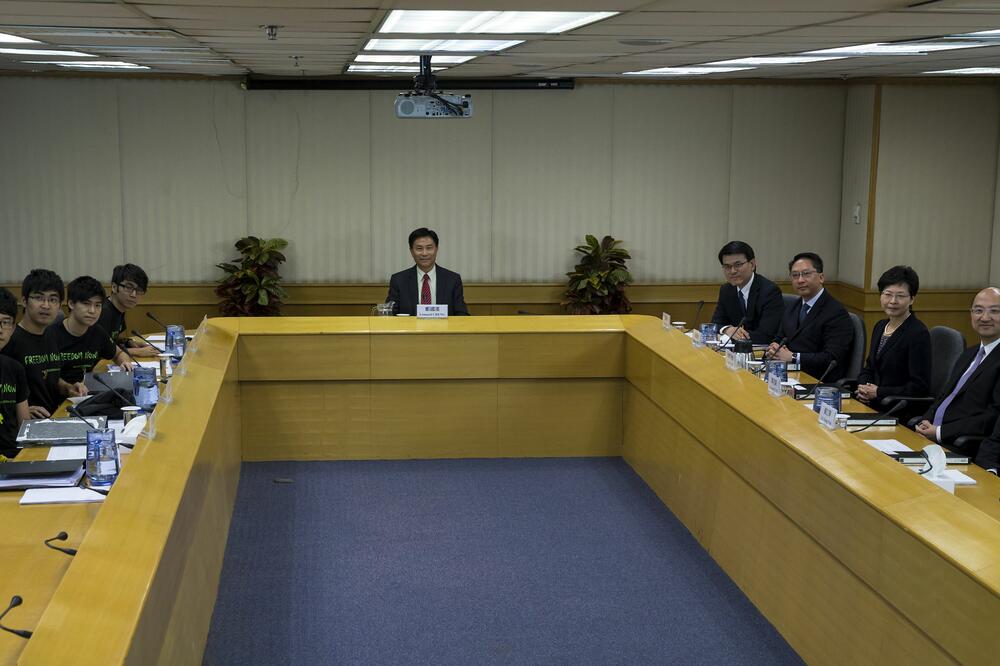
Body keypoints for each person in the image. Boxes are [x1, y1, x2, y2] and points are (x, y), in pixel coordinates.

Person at [915, 287, 1000, 452]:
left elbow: (993, 417)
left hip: (959, 444)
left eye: (994, 311)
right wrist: (924, 422)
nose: (984, 317)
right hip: (931, 437)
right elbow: (944, 397)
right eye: (978, 310)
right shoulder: (969, 353)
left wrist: (939, 432)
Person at [0, 269, 78, 418]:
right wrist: (20, 410)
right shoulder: (8, 339)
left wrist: (68, 387)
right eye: (38, 298)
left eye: (53, 300)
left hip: (54, 417)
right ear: (24, 301)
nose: (46, 305)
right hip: (25, 426)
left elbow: (48, 378)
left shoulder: (51, 334)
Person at [855, 266, 930, 418]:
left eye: (900, 296)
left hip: (896, 410)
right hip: (870, 404)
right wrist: (863, 387)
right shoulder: (881, 326)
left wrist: (878, 392)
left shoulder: (917, 333)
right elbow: (870, 367)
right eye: (887, 294)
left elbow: (919, 387)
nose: (893, 301)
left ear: (912, 299)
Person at [766, 252, 853, 382]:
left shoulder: (836, 313)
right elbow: (780, 338)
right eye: (795, 275)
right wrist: (774, 348)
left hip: (817, 381)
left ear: (821, 277)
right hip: (789, 374)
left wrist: (793, 357)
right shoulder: (793, 306)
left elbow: (831, 358)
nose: (800, 280)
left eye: (806, 274)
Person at [50, 276, 134, 387]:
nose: (92, 311)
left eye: (98, 305)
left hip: (87, 392)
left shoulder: (97, 332)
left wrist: (125, 362)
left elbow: (118, 353)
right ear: (71, 304)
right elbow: (48, 378)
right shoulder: (51, 335)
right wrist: (69, 388)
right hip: (60, 398)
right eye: (86, 304)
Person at [709, 241, 783, 344]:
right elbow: (715, 324)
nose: (732, 271)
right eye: (727, 267)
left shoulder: (769, 291)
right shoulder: (726, 290)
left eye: (738, 265)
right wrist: (727, 330)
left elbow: (767, 335)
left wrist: (732, 337)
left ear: (752, 264)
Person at [387, 228, 469, 316]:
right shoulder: (399, 280)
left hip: (443, 329)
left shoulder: (452, 279)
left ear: (436, 249)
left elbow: (462, 314)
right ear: (411, 251)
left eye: (429, 248)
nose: (424, 253)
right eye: (419, 248)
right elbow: (390, 313)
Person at [96, 263, 159, 357]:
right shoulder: (103, 312)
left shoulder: (118, 309)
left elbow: (110, 339)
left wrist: (128, 342)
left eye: (139, 290)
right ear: (114, 287)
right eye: (129, 288)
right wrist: (136, 352)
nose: (134, 295)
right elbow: (99, 349)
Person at [0, 288, 30, 459]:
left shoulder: (14, 368)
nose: (0, 330)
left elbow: (24, 429)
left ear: (12, 329)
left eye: (6, 322)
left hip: (14, 460)